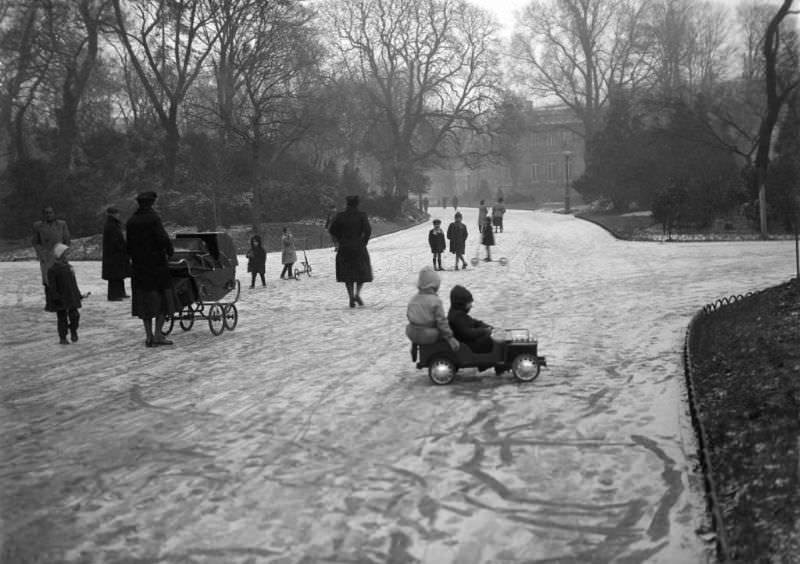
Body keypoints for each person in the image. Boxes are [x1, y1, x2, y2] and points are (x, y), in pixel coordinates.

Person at [126, 191, 178, 347]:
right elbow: (162, 238)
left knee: (145, 304)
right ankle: (158, 335)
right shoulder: (153, 218)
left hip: (139, 268)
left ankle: (148, 336)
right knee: (162, 302)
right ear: (152, 203)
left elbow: (128, 245)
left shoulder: (131, 221)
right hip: (156, 267)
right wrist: (170, 251)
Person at [328, 195, 373, 307]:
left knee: (347, 273)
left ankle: (351, 296)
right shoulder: (362, 215)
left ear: (347, 203)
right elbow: (368, 230)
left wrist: (340, 239)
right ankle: (357, 293)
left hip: (344, 247)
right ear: (357, 204)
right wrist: (364, 241)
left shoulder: (340, 216)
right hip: (359, 246)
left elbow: (332, 230)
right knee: (361, 271)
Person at [405, 266, 459, 351]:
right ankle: (435, 351)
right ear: (434, 285)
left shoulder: (413, 299)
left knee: (416, 325)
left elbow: (409, 316)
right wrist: (450, 338)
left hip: (411, 333)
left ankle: (414, 344)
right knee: (441, 333)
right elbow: (441, 322)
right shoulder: (435, 301)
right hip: (428, 335)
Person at [45, 243, 83, 344]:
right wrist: (56, 296)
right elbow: (52, 286)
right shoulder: (53, 270)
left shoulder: (69, 267)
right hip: (60, 297)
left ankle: (73, 330)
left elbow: (74, 283)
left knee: (75, 315)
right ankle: (63, 337)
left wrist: (78, 294)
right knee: (62, 318)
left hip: (71, 295)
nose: (67, 255)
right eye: (65, 253)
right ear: (60, 255)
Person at [32, 206, 71, 297]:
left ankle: (67, 297)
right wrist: (41, 254)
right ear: (43, 214)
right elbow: (36, 242)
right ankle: (50, 300)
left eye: (50, 213)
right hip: (46, 256)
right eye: (46, 213)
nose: (49, 215)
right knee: (48, 279)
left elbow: (67, 239)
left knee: (63, 277)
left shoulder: (62, 224)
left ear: (54, 213)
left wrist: (64, 252)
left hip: (60, 255)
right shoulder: (38, 226)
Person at [448, 284, 495, 353]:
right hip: (467, 346)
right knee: (488, 340)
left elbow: (473, 322)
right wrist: (484, 331)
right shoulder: (456, 317)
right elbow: (468, 333)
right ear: (461, 303)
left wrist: (484, 325)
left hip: (467, 342)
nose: (471, 306)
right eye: (469, 303)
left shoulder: (458, 314)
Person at [101, 206, 131, 301]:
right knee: (114, 276)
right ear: (113, 214)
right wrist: (123, 248)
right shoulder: (111, 226)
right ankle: (113, 295)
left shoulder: (113, 225)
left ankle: (120, 293)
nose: (119, 215)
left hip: (115, 254)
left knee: (118, 275)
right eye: (117, 213)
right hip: (114, 255)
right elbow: (115, 241)